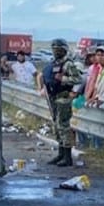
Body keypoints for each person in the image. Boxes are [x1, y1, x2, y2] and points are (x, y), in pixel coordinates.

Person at [43, 38, 82, 166]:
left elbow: (78, 79)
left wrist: (63, 78)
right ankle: (60, 154)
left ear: (64, 50)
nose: (56, 51)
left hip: (63, 98)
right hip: (53, 97)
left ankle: (67, 157)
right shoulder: (54, 63)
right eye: (54, 49)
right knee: (56, 126)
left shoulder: (68, 64)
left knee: (63, 126)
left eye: (58, 49)